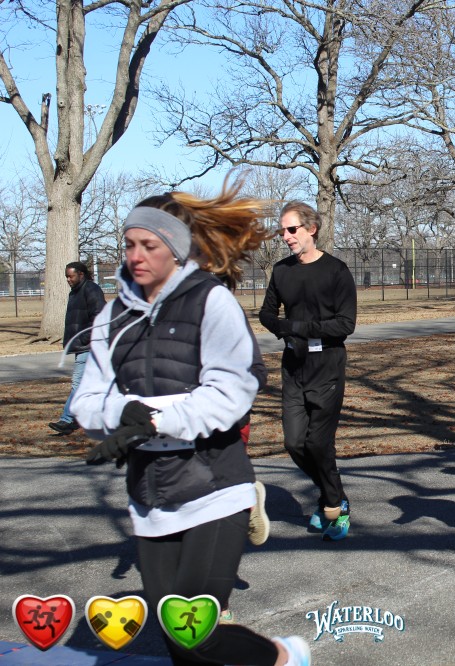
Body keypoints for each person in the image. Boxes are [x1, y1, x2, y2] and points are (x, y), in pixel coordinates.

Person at [71, 177, 311, 665]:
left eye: (150, 245)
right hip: (150, 498)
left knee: (196, 634)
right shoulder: (111, 317)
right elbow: (87, 400)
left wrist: (153, 420)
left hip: (214, 489)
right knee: (176, 639)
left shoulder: (210, 302)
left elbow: (234, 391)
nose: (136, 255)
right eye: (129, 244)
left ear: (177, 248)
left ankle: (284, 658)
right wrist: (120, 415)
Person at [259, 201, 357, 541]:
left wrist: (298, 327)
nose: (286, 236)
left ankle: (334, 506)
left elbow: (345, 324)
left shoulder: (336, 271)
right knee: (294, 442)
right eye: (282, 231)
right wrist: (283, 330)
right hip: (294, 366)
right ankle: (334, 497)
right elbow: (267, 314)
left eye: (292, 229)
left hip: (327, 365)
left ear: (311, 229)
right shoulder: (281, 270)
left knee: (318, 443)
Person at [49, 261, 106, 435]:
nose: (68, 279)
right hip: (82, 346)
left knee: (78, 383)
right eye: (66, 276)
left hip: (89, 345)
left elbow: (99, 316)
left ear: (81, 274)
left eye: (71, 276)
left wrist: (84, 338)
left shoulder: (91, 289)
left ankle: (67, 419)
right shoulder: (75, 292)